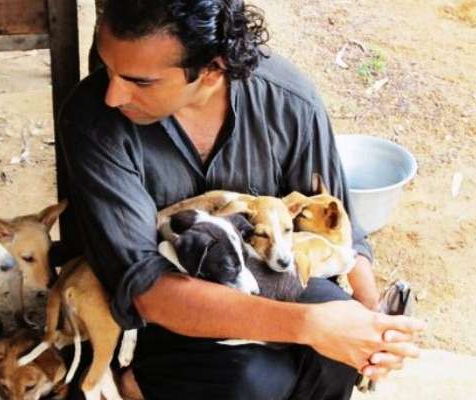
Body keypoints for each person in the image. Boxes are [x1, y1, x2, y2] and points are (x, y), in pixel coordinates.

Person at [54, 1, 425, 399]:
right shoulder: (93, 118)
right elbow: (148, 288)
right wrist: (306, 325)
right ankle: (137, 385)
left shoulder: (289, 100)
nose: (112, 94)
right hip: (157, 310)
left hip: (268, 279)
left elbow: (336, 224)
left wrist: (373, 327)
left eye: (139, 82)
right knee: (249, 379)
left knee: (335, 348)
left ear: (213, 70)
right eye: (108, 67)